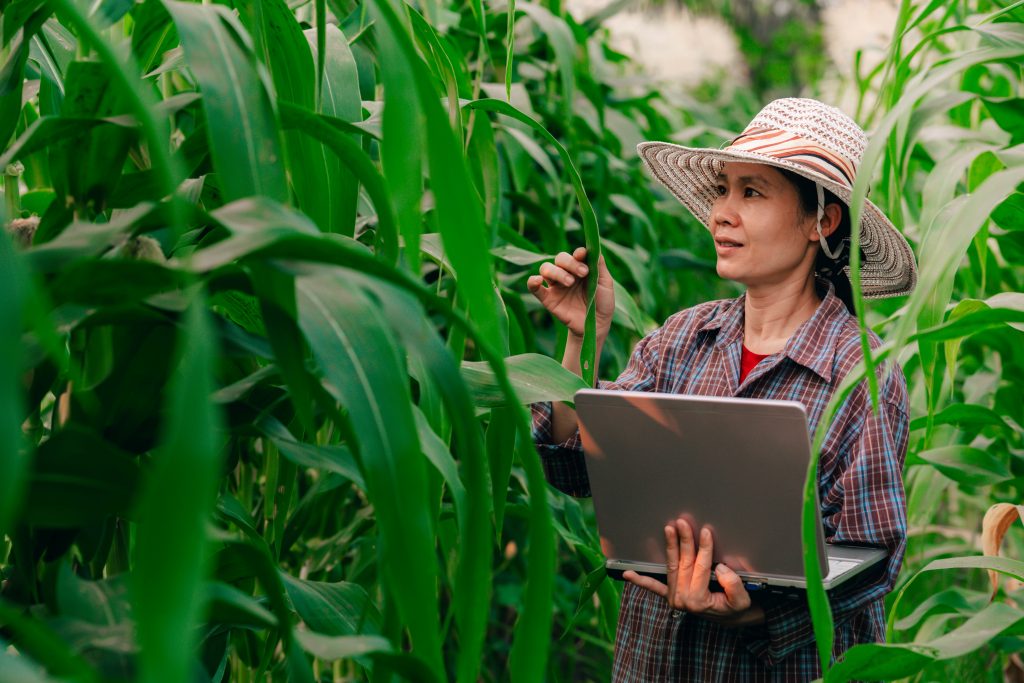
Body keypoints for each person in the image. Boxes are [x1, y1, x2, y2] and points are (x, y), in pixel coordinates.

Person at [527, 98, 917, 681]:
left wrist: (755, 614)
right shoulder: (684, 338)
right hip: (654, 661)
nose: (721, 214)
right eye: (723, 191)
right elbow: (574, 470)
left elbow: (873, 559)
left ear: (822, 221)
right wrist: (582, 344)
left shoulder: (859, 372)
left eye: (752, 192)